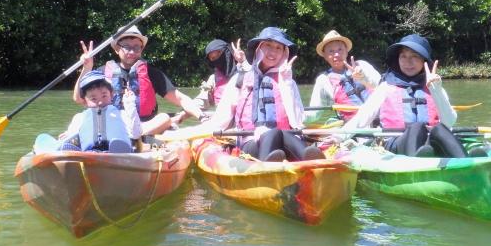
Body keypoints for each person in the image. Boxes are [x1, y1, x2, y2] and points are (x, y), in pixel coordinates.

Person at [194, 27, 325, 162]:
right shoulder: (240, 80)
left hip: (285, 142)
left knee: (283, 133)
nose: (272, 51)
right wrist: (194, 132)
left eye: (278, 48)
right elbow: (220, 122)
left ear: (284, 54)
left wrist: (286, 83)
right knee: (274, 132)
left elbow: (297, 122)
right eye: (268, 45)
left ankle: (315, 164)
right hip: (250, 143)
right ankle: (265, 169)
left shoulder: (287, 81)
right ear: (259, 48)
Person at [340, 33, 468, 158]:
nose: (408, 61)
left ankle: (469, 163)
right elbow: (362, 118)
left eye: (414, 56)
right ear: (398, 59)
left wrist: (437, 90)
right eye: (403, 56)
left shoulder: (434, 85)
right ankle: (414, 167)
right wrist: (337, 137)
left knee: (439, 128)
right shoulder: (386, 87)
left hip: (428, 143)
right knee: (417, 126)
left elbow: (449, 122)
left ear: (424, 60)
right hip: (394, 143)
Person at [73, 26, 207, 137]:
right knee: (79, 117)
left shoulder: (153, 74)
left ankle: (132, 135)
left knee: (164, 118)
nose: (132, 52)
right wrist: (87, 68)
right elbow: (79, 98)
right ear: (116, 48)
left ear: (141, 49)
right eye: (126, 47)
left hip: (143, 126)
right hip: (111, 123)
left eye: (136, 47)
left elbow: (181, 99)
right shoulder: (102, 73)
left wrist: (202, 117)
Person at [304, 30, 381, 125]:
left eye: (340, 49)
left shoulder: (362, 65)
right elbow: (314, 114)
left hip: (381, 121)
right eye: (331, 51)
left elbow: (383, 87)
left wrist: (362, 77)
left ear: (346, 51)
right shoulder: (323, 80)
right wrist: (293, 116)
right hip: (355, 129)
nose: (336, 54)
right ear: (325, 55)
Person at [171, 38, 250, 125]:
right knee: (199, 139)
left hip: (245, 124)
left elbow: (256, 82)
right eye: (213, 58)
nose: (217, 59)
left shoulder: (247, 70)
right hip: (224, 125)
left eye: (219, 53)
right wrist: (181, 115)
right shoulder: (214, 79)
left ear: (227, 50)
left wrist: (243, 61)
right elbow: (201, 102)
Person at [58, 70, 140, 152]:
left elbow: (136, 134)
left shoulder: (122, 114)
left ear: (111, 95)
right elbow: (72, 134)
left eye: (104, 96)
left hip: (119, 151)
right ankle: (74, 155)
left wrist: (130, 105)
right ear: (84, 102)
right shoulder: (80, 117)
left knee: (119, 145)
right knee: (68, 143)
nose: (100, 102)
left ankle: (120, 153)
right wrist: (66, 137)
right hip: (90, 154)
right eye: (93, 99)